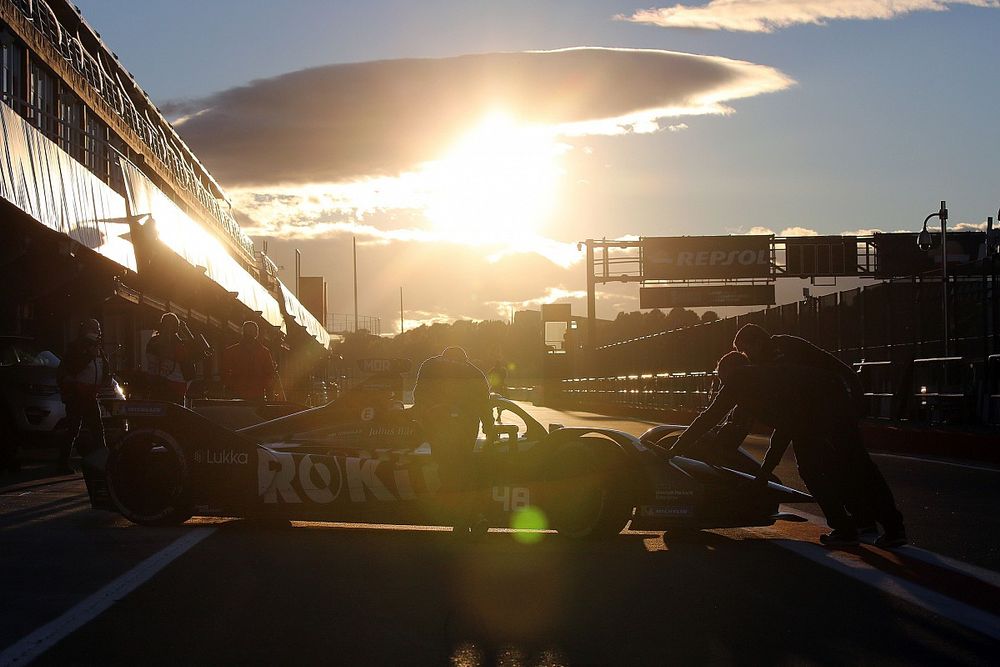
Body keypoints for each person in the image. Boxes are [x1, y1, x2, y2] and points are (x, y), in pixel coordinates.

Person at [733, 324, 906, 548]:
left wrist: (857, 400)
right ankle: (868, 522)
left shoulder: (783, 351)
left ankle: (868, 528)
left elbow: (837, 368)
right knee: (843, 468)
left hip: (826, 415)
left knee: (835, 469)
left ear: (756, 342)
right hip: (820, 416)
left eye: (746, 350)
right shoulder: (776, 355)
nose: (747, 357)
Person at [670, 351, 863, 547]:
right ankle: (859, 519)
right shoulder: (760, 378)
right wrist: (764, 471)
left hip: (822, 406)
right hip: (831, 397)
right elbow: (785, 425)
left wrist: (675, 450)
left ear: (729, 371)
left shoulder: (740, 379)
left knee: (811, 469)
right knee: (837, 462)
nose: (722, 387)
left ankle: (845, 528)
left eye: (722, 380)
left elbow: (709, 417)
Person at [412, 346, 496, 534]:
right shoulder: (475, 372)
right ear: (465, 359)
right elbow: (484, 403)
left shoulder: (429, 365)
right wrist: (489, 428)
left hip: (437, 425)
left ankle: (457, 511)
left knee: (446, 466)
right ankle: (469, 515)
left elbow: (419, 394)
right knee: (462, 466)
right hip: (465, 428)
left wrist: (420, 418)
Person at [56, 319, 109, 474]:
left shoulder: (98, 348)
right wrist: (88, 355)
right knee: (73, 428)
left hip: (91, 395)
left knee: (98, 429)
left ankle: (104, 461)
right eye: (94, 329)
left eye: (98, 330)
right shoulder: (75, 348)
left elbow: (105, 368)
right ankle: (62, 463)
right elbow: (72, 368)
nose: (97, 333)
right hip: (76, 394)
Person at [222, 321, 283, 402]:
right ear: (256, 334)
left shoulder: (231, 351)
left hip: (237, 394)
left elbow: (224, 373)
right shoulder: (264, 352)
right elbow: (269, 375)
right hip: (257, 395)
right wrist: (269, 397)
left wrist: (229, 389)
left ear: (243, 332)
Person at [145, 313, 194, 404]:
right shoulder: (180, 345)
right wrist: (185, 329)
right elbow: (190, 364)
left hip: (156, 385)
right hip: (176, 387)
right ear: (177, 328)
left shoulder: (152, 343)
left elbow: (150, 362)